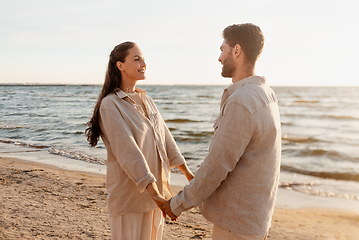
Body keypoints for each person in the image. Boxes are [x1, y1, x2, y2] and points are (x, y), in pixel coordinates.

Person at [158, 23, 281, 239]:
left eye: (222, 50)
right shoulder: (266, 93)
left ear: (237, 50)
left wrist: (176, 204)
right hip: (256, 219)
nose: (219, 58)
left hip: (236, 224)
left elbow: (217, 164)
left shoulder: (242, 101)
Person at [85, 41, 194, 240]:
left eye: (144, 59)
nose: (143, 63)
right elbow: (128, 151)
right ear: (120, 65)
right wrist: (155, 195)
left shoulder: (146, 99)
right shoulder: (110, 104)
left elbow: (165, 138)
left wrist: (188, 174)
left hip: (156, 196)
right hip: (131, 198)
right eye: (137, 59)